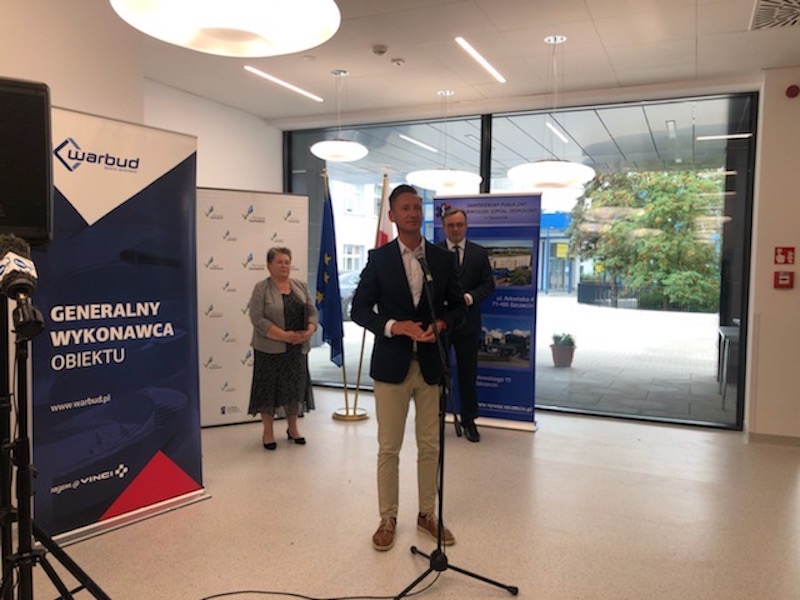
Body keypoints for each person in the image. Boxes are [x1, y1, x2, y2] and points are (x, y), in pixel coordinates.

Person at [351, 184, 466, 552]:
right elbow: (359, 310)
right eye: (405, 208)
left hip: (430, 366)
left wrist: (442, 324)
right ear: (392, 215)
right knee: (389, 447)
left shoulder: (441, 259)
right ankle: (388, 518)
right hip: (391, 367)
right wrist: (392, 326)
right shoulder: (379, 259)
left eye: (417, 207)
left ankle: (427, 514)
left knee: (430, 445)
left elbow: (458, 308)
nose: (413, 213)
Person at [247, 247, 317, 450]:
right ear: (269, 265)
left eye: (287, 262)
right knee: (268, 391)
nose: (284, 266)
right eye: (279, 262)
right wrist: (285, 336)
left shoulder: (300, 286)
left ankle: (293, 429)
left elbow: (312, 312)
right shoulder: (261, 288)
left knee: (294, 389)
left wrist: (310, 330)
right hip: (269, 350)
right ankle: (268, 432)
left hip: (297, 349)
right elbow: (257, 318)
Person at [438, 207, 495, 443]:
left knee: (468, 375)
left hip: (468, 323)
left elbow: (488, 284)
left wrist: (470, 297)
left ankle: (469, 421)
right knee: (439, 374)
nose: (455, 229)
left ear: (466, 226)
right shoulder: (434, 252)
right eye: (451, 225)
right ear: (444, 228)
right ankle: (437, 420)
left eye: (459, 225)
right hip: (441, 324)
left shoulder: (478, 253)